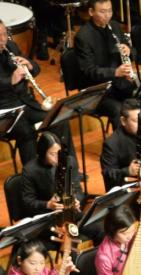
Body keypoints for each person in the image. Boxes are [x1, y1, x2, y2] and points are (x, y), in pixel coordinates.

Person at [74, 0, 141, 128]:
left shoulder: (114, 26)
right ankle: (123, 140)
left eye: (110, 11)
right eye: (102, 12)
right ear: (91, 12)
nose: (107, 16)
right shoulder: (82, 37)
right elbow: (89, 70)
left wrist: (129, 51)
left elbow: (134, 52)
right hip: (98, 91)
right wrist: (115, 72)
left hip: (118, 83)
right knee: (118, 109)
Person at [0, 20, 50, 164]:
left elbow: (36, 68)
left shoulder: (11, 46)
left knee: (56, 119)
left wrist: (29, 65)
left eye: (4, 34)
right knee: (27, 132)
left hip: (24, 103)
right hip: (4, 111)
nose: (3, 39)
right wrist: (11, 80)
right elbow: (9, 80)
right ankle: (32, 175)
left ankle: (69, 169)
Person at [20, 133, 84, 221]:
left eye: (59, 152)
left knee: (95, 227)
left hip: (70, 211)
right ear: (42, 153)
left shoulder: (69, 161)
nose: (57, 157)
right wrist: (48, 204)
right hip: (47, 216)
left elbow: (78, 189)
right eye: (52, 154)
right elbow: (28, 202)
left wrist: (76, 200)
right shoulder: (29, 170)